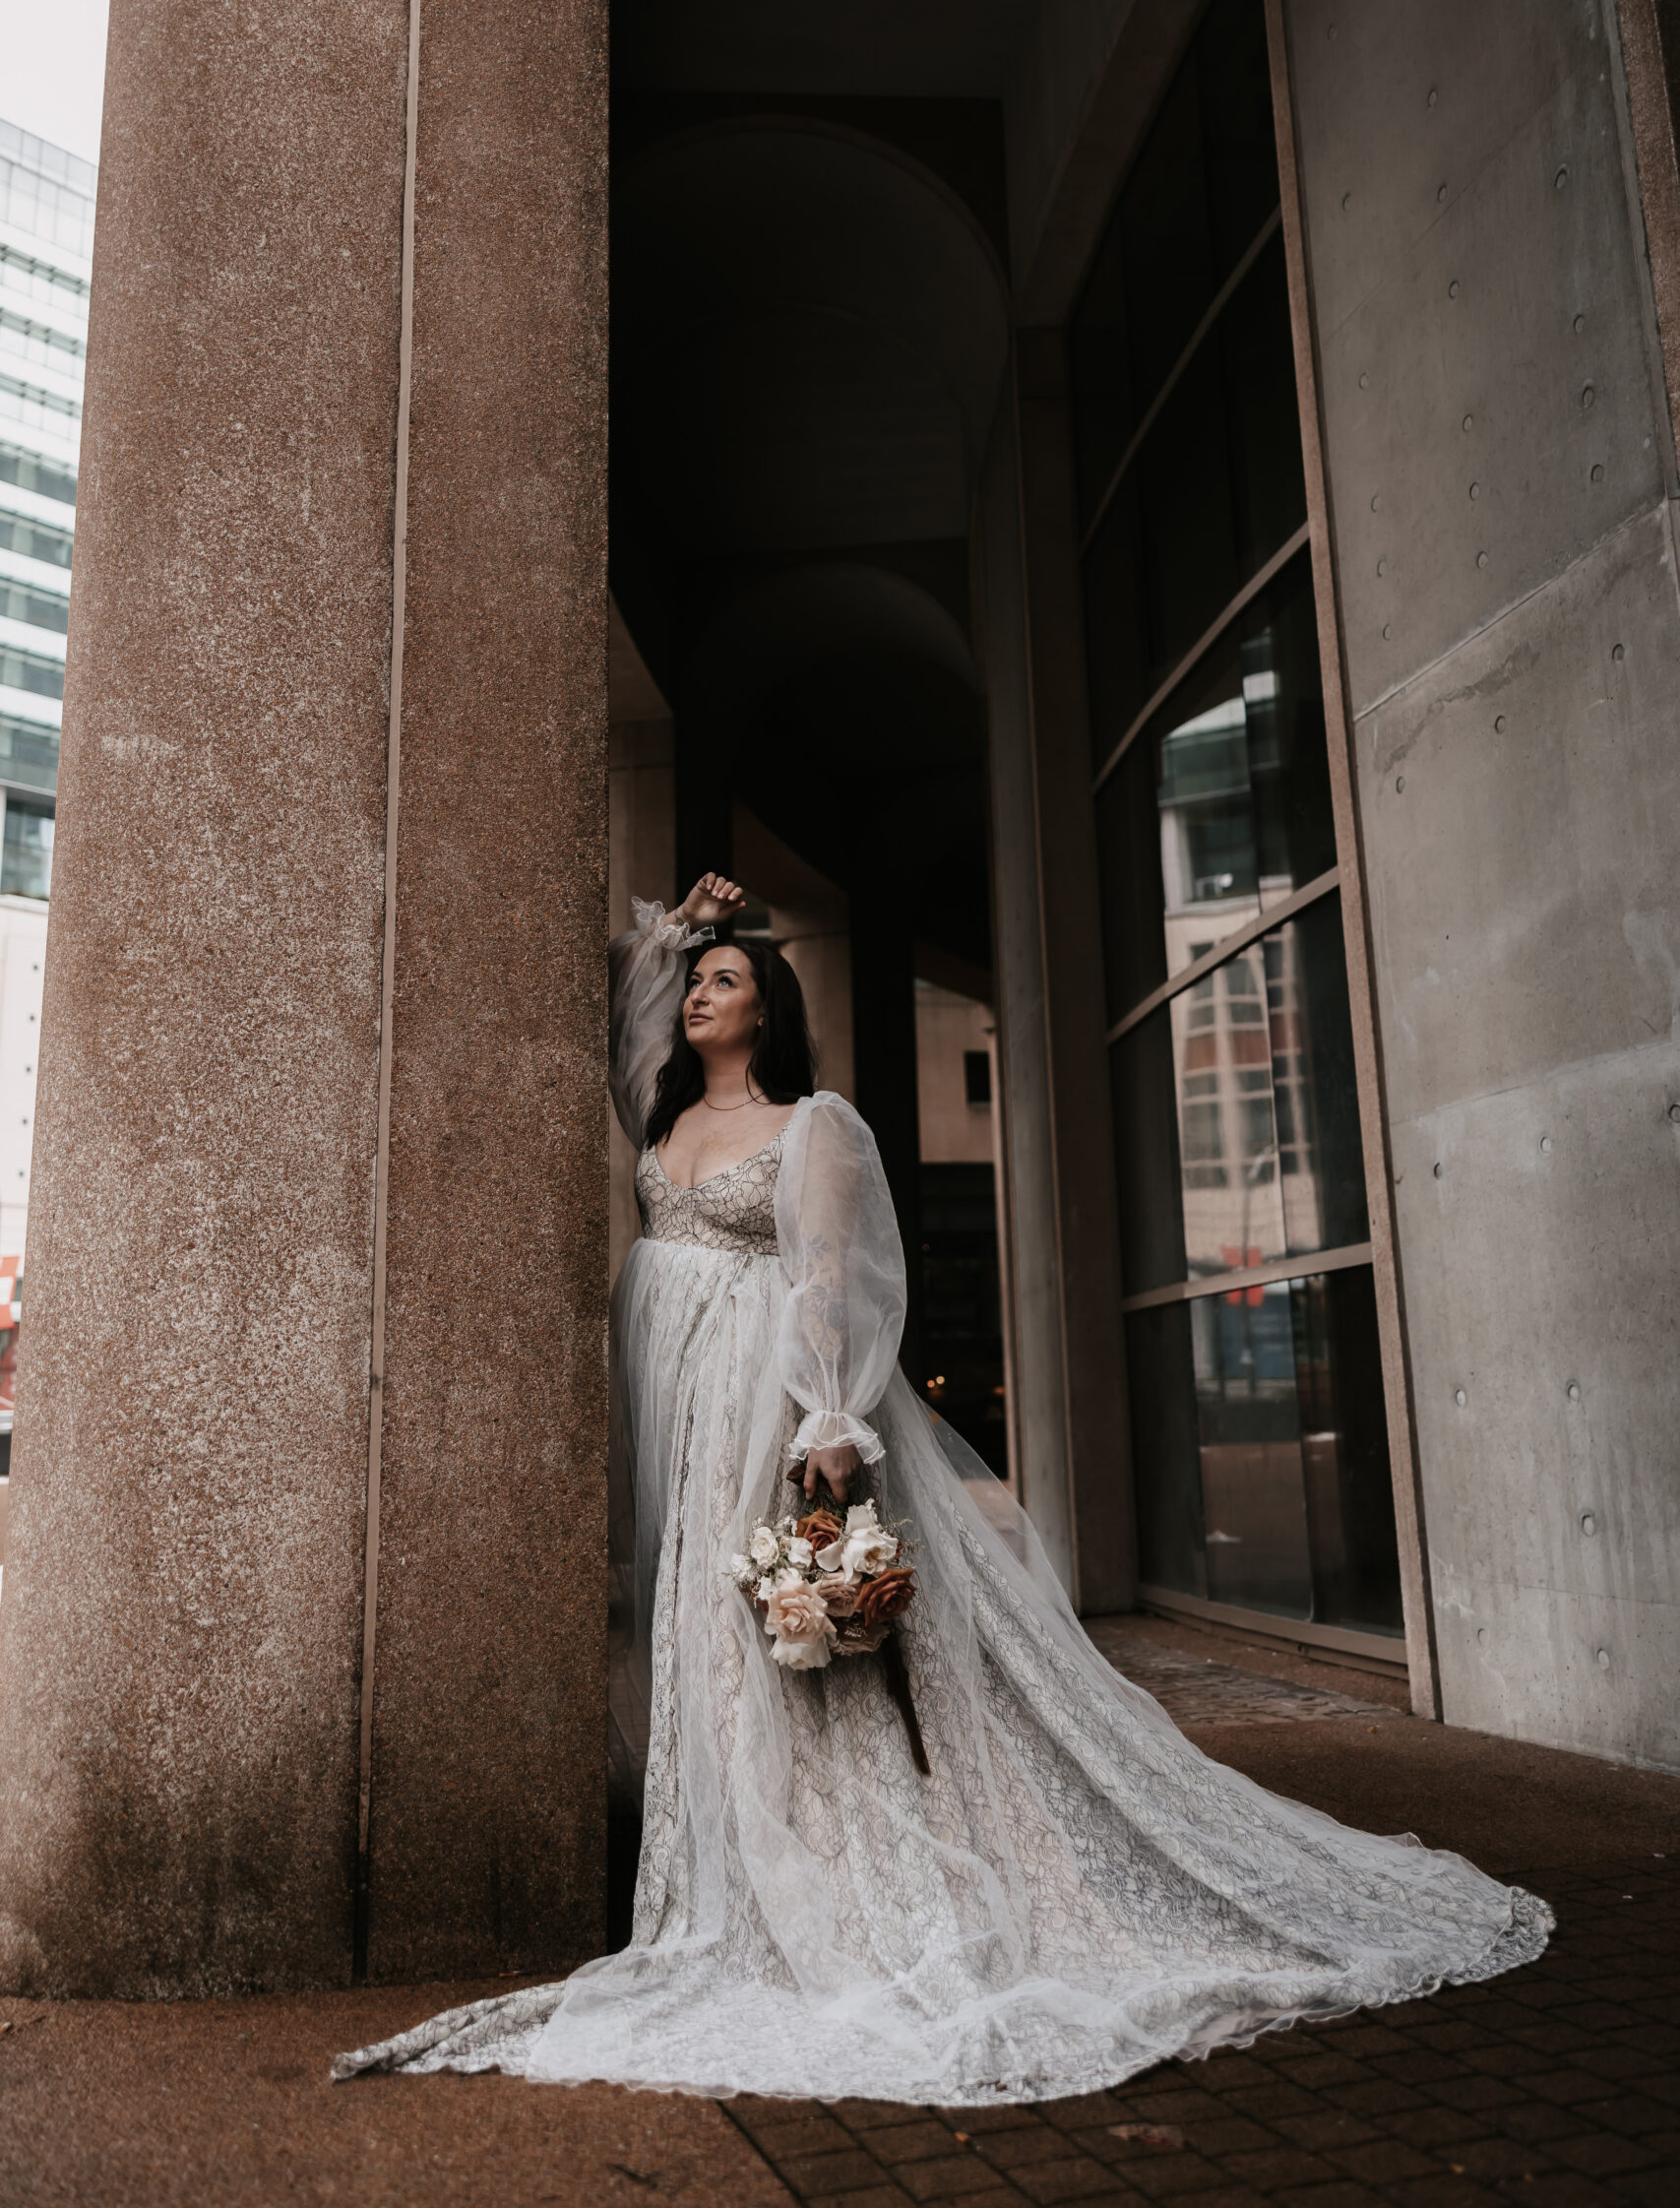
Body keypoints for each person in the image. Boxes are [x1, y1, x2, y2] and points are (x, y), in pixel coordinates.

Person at [335, 875, 1549, 2105]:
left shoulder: (812, 1124)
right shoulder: (655, 1116)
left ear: (770, 1010)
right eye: (695, 980)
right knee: (691, 1621)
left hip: (759, 1401)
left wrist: (828, 1414)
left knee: (766, 1627)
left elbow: (829, 1274)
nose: (701, 991)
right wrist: (676, 927)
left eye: (727, 978)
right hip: (670, 1401)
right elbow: (621, 1011)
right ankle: (718, 1840)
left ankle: (813, 1860)